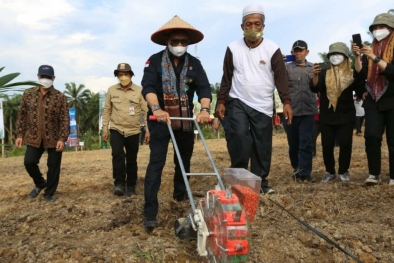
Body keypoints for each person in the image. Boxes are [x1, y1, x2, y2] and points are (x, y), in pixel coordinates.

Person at [141, 15, 212, 228]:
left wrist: (205, 109)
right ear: (167, 42)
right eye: (175, 41)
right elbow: (148, 88)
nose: (179, 45)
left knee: (184, 161)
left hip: (184, 120)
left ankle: (180, 195)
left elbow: (204, 89)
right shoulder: (154, 61)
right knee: (157, 162)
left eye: (183, 42)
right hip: (159, 120)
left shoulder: (195, 64)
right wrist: (157, 108)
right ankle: (150, 212)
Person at [216, 4, 293, 194]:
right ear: (242, 27)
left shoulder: (272, 48)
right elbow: (226, 77)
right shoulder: (233, 48)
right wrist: (221, 101)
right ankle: (238, 181)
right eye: (248, 24)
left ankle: (260, 183)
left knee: (262, 143)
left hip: (263, 104)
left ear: (263, 26)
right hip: (237, 100)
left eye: (256, 24)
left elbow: (280, 77)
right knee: (240, 137)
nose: (252, 28)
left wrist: (286, 102)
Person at [310, 42, 366, 183]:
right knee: (327, 145)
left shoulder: (350, 73)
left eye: (339, 54)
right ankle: (329, 172)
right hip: (327, 115)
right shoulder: (324, 72)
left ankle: (343, 172)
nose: (335, 57)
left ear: (345, 57)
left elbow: (360, 77)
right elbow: (315, 88)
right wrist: (315, 75)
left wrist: (357, 57)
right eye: (332, 55)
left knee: (346, 144)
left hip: (346, 115)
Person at [15, 65, 69, 202]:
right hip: (33, 136)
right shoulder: (29, 94)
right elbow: (22, 115)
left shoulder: (60, 97)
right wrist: (20, 134)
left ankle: (49, 193)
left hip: (54, 137)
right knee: (29, 162)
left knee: (53, 166)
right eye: (43, 77)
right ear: (38, 77)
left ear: (54, 78)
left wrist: (62, 138)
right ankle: (40, 183)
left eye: (48, 77)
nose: (45, 79)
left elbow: (64, 119)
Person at [355, 13, 394, 186]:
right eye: (375, 28)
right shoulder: (370, 49)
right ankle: (374, 174)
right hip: (373, 99)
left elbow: (392, 71)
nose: (377, 30)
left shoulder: (376, 52)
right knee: (371, 137)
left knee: (393, 140)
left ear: (391, 29)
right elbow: (361, 74)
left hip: (392, 98)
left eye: (381, 27)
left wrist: (375, 58)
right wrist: (358, 57)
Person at [102, 63, 150, 197]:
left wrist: (148, 130)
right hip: (116, 129)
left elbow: (146, 111)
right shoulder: (112, 90)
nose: (123, 77)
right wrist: (105, 128)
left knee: (131, 158)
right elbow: (107, 110)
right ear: (117, 76)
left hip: (133, 131)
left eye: (126, 74)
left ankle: (131, 185)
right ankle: (119, 183)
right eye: (120, 75)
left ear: (131, 75)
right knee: (117, 155)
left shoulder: (139, 91)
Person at [284, 40, 317, 182]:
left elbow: (318, 87)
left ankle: (305, 173)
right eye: (295, 51)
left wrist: (316, 75)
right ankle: (297, 169)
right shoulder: (286, 68)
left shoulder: (313, 68)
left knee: (306, 142)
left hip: (308, 111)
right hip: (291, 111)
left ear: (307, 52)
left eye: (301, 50)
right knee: (294, 144)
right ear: (292, 53)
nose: (298, 53)